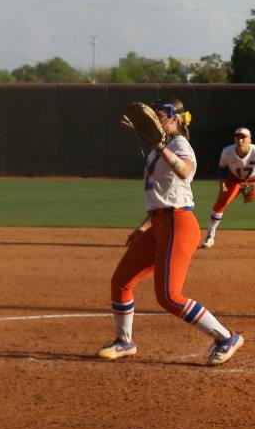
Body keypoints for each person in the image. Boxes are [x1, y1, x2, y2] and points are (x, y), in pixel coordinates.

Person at [99, 99, 243, 366]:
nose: (154, 122)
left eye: (160, 117)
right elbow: (163, 196)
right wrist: (144, 226)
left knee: (168, 296)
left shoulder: (179, 145)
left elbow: (185, 170)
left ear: (175, 119)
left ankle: (226, 337)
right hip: (159, 224)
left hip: (179, 224)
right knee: (121, 281)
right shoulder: (157, 150)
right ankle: (123, 341)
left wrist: (161, 147)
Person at [201, 126, 255, 249]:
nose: (240, 140)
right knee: (221, 202)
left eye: (243, 138)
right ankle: (210, 235)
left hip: (253, 179)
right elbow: (222, 169)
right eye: (238, 138)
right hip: (234, 179)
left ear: (250, 140)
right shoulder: (227, 151)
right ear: (234, 139)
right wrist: (222, 184)